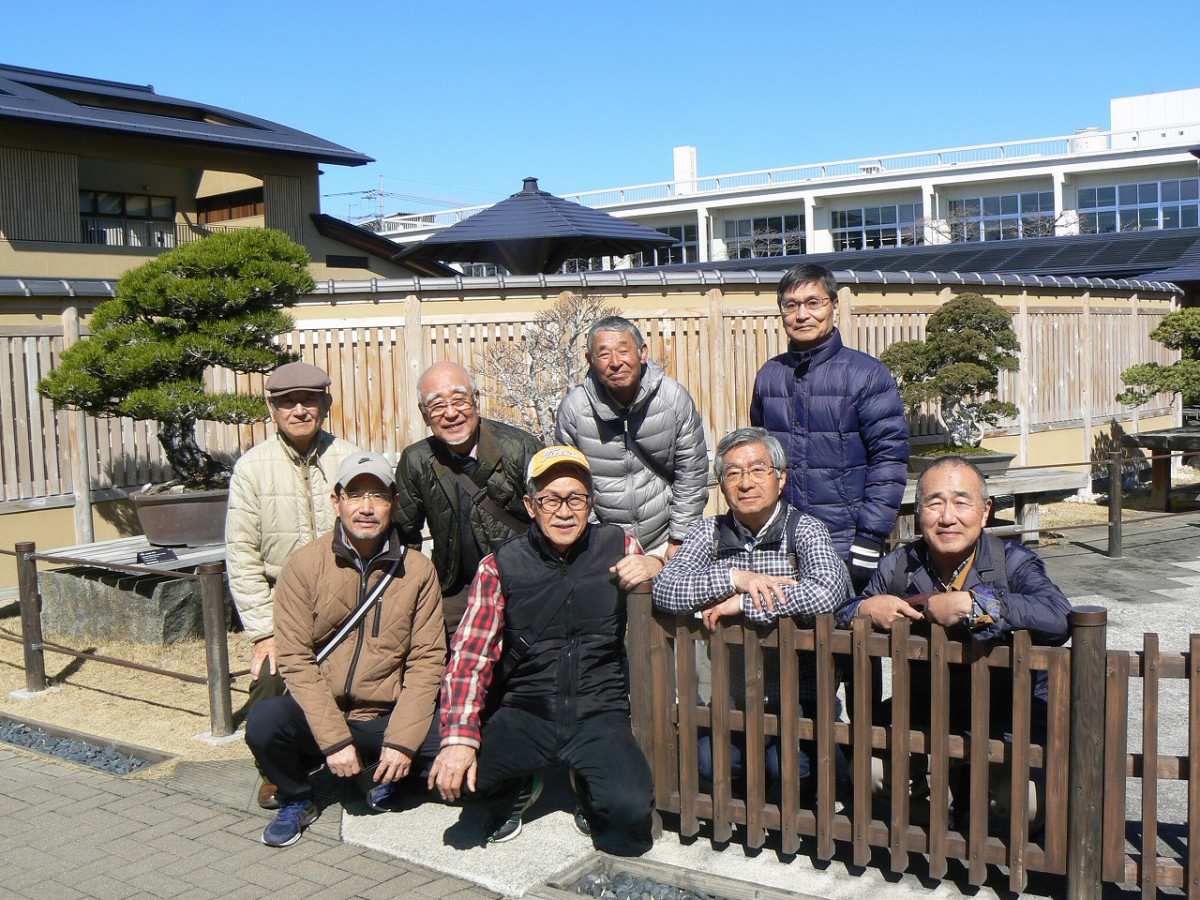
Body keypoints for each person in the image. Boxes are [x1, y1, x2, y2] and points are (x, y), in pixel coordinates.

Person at [428, 446, 662, 853]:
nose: (564, 512)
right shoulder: (499, 564)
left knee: (628, 810)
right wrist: (459, 739)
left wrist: (656, 567)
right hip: (526, 710)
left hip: (598, 710)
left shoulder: (619, 546)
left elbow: (671, 585)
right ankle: (521, 784)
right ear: (530, 505)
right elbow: (470, 657)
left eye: (576, 499)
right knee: (455, 781)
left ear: (591, 502)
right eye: (551, 499)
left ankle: (585, 785)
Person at [838, 456, 1071, 826]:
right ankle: (929, 829)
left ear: (985, 511)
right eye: (934, 504)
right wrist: (865, 608)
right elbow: (842, 612)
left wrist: (974, 605)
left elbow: (1058, 617)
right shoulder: (898, 565)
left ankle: (990, 833)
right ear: (919, 513)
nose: (947, 517)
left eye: (962, 502)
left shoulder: (1012, 562)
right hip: (924, 707)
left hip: (1009, 713)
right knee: (871, 772)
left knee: (1026, 802)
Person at [246, 452, 446, 847]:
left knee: (465, 754)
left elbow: (427, 662)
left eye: (378, 496)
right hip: (322, 712)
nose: (366, 508)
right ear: (336, 501)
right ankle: (297, 796)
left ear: (395, 503)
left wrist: (402, 742)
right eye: (355, 495)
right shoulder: (304, 565)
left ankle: (384, 771)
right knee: (265, 721)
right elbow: (296, 660)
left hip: (385, 714)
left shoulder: (418, 570)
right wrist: (335, 740)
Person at [653, 427, 850, 796]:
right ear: (721, 485)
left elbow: (827, 594)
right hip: (733, 689)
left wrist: (745, 603)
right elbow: (666, 589)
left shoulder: (805, 530)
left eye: (758, 469)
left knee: (789, 767)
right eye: (733, 473)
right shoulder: (708, 533)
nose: (745, 483)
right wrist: (734, 578)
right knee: (709, 762)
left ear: (780, 478)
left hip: (799, 689)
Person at [225, 361, 359, 809]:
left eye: (309, 400)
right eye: (287, 403)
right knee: (269, 682)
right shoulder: (251, 469)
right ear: (272, 409)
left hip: (348, 605)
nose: (299, 410)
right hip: (283, 610)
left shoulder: (350, 460)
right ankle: (277, 773)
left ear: (326, 403)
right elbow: (241, 556)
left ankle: (363, 754)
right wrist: (265, 632)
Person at [749, 263, 909, 592]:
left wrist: (869, 537)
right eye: (791, 305)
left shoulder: (867, 375)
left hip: (844, 541)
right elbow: (761, 458)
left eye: (813, 303)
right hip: (781, 540)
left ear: (834, 305)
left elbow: (889, 461)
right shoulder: (769, 376)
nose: (802, 315)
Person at [394, 362, 542, 640]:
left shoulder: (520, 448)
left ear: (476, 400)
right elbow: (404, 537)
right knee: (431, 645)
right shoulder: (416, 460)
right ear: (424, 415)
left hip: (523, 579)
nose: (451, 413)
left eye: (459, 400)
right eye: (437, 405)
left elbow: (549, 516)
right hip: (456, 588)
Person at [555, 315, 708, 560]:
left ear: (642, 353)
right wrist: (596, 541)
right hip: (603, 543)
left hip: (666, 538)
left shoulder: (673, 399)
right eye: (604, 354)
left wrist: (679, 538)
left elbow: (692, 472)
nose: (615, 362)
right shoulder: (574, 410)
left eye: (623, 351)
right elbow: (571, 483)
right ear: (590, 360)